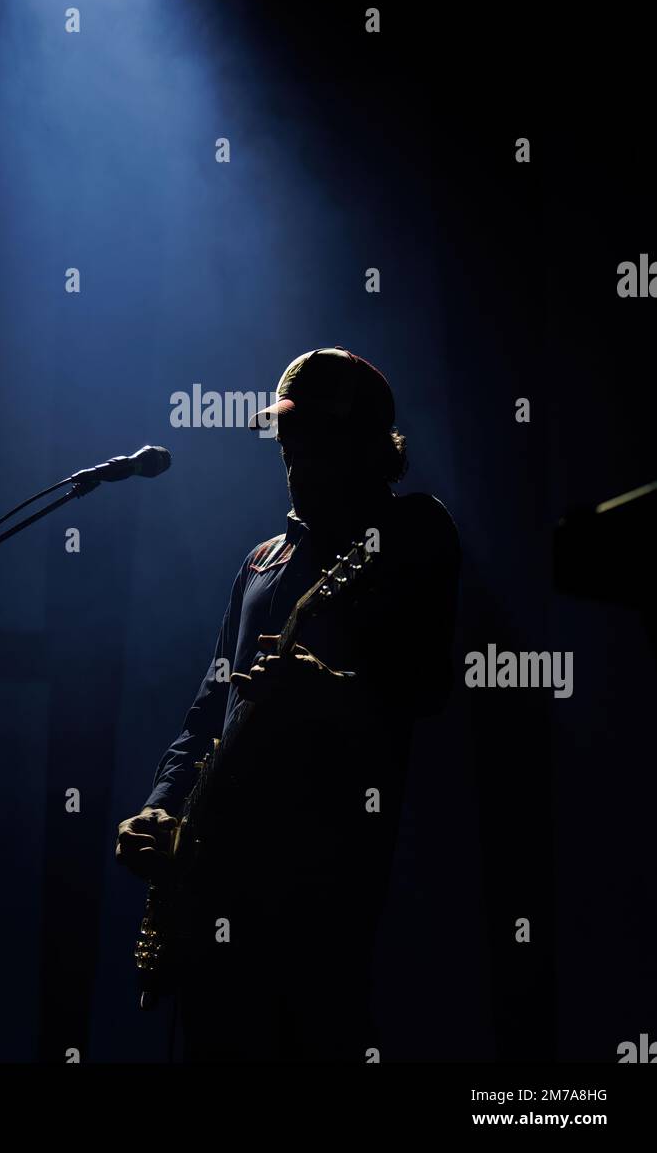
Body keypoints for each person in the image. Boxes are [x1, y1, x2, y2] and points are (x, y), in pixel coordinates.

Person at [116, 347, 460, 1061]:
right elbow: (207, 712)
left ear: (367, 444)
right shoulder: (262, 561)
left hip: (323, 888)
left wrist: (326, 691)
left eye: (314, 440)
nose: (294, 456)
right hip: (214, 893)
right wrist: (160, 808)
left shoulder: (411, 535)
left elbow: (425, 688)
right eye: (287, 439)